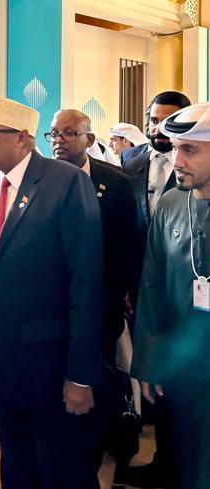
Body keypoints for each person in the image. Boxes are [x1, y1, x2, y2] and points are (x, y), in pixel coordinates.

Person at [0, 96, 106, 489]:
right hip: (1, 360)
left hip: (51, 364)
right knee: (15, 466)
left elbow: (86, 280)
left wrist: (80, 375)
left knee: (60, 470)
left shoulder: (65, 182)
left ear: (24, 138)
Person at [131, 101, 210, 489]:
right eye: (176, 148)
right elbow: (152, 284)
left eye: (189, 150)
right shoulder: (172, 202)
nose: (177, 160)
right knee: (187, 461)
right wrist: (150, 359)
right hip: (183, 367)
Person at [120, 90, 191, 489]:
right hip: (139, 285)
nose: (157, 129)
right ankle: (162, 459)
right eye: (152, 120)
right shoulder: (130, 161)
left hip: (182, 289)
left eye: (167, 122)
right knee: (152, 376)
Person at [49, 109, 138, 366]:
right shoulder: (39, 180)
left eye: (69, 133)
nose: (58, 140)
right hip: (51, 306)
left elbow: (126, 246)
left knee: (98, 376)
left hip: (101, 305)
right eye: (53, 134)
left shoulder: (117, 182)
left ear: (89, 140)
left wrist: (114, 295)